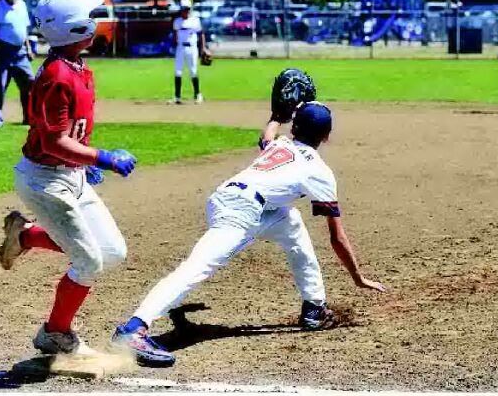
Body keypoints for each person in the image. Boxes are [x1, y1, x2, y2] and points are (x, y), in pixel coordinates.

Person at [112, 100, 386, 367]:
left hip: (236, 199)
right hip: (238, 212)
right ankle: (134, 329)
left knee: (291, 223)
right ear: (326, 137)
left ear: (294, 129)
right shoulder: (320, 172)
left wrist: (276, 115)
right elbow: (336, 237)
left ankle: (314, 307)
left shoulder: (281, 144)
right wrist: (358, 277)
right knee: (197, 267)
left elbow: (268, 135)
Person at [0, 0, 138, 355]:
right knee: (88, 260)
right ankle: (54, 334)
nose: (97, 22)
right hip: (45, 182)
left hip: (69, 175)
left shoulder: (77, 67)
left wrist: (83, 161)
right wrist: (102, 158)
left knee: (112, 251)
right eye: (91, 17)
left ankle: (25, 236)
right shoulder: (57, 76)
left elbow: (69, 136)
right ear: (75, 28)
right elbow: (52, 143)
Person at [170, 0, 209, 105]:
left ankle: (198, 95)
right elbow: (175, 35)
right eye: (183, 9)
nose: (185, 11)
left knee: (193, 71)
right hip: (180, 48)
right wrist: (172, 46)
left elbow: (201, 34)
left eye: (187, 9)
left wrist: (204, 48)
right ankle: (177, 97)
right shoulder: (177, 21)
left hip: (192, 48)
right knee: (178, 72)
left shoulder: (195, 20)